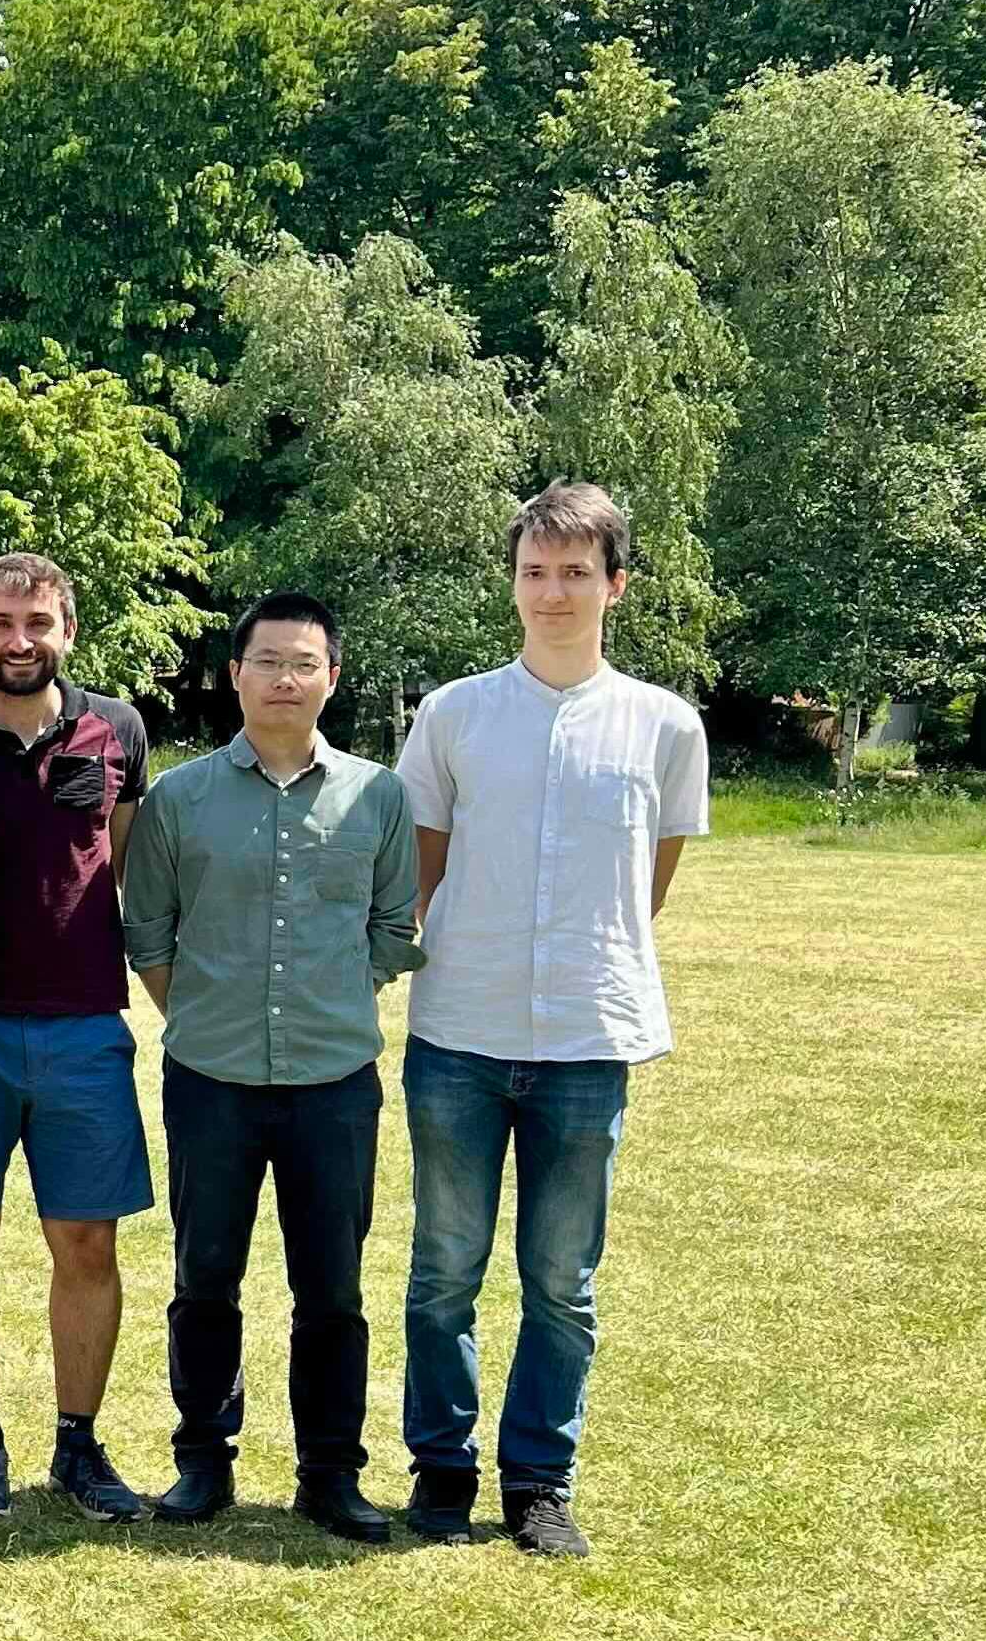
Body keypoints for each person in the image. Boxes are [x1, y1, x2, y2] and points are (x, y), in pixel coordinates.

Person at [395, 481, 708, 1558]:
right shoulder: (452, 713)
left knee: (560, 1280)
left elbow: (647, 881)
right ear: (513, 583)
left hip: (587, 1037)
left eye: (576, 571)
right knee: (442, 1269)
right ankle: (440, 1469)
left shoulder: (663, 724)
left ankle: (537, 1479)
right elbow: (418, 873)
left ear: (614, 584)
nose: (554, 590)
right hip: (458, 1032)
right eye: (535, 570)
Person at [119, 591, 421, 1542]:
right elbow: (150, 934)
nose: (285, 679)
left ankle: (331, 1472)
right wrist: (213, 1016)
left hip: (335, 1083)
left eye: (304, 663)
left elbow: (388, 928)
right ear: (235, 674)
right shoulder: (180, 797)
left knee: (330, 1285)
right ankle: (202, 1461)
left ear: (331, 676)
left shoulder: (379, 795)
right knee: (205, 1274)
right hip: (209, 1078)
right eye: (267, 662)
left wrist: (325, 1006)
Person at [0, 553, 153, 1522]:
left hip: (85, 1022)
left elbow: (123, 865)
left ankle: (79, 1445)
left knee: (85, 1239)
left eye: (36, 621)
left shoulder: (119, 726)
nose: (18, 640)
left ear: (66, 630)